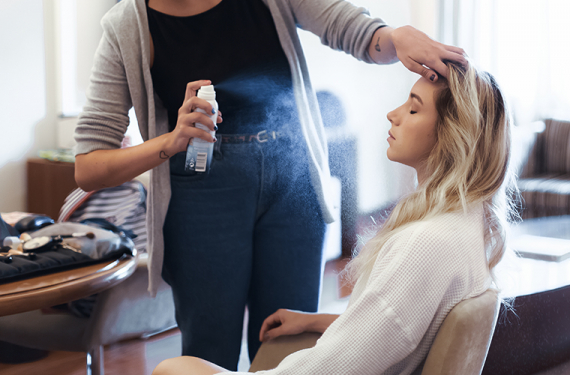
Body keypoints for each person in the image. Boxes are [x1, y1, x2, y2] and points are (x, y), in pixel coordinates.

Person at [73, 0, 467, 370]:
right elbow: (89, 167)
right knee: (207, 352)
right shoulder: (126, 28)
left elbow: (349, 27)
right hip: (201, 195)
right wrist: (171, 141)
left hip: (292, 178)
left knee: (289, 340)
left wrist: (396, 37)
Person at [152, 61, 516, 375]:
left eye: (414, 109)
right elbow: (395, 327)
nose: (394, 114)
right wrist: (317, 321)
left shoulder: (425, 244)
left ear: (453, 135)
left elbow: (334, 369)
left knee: (172, 368)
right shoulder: (468, 223)